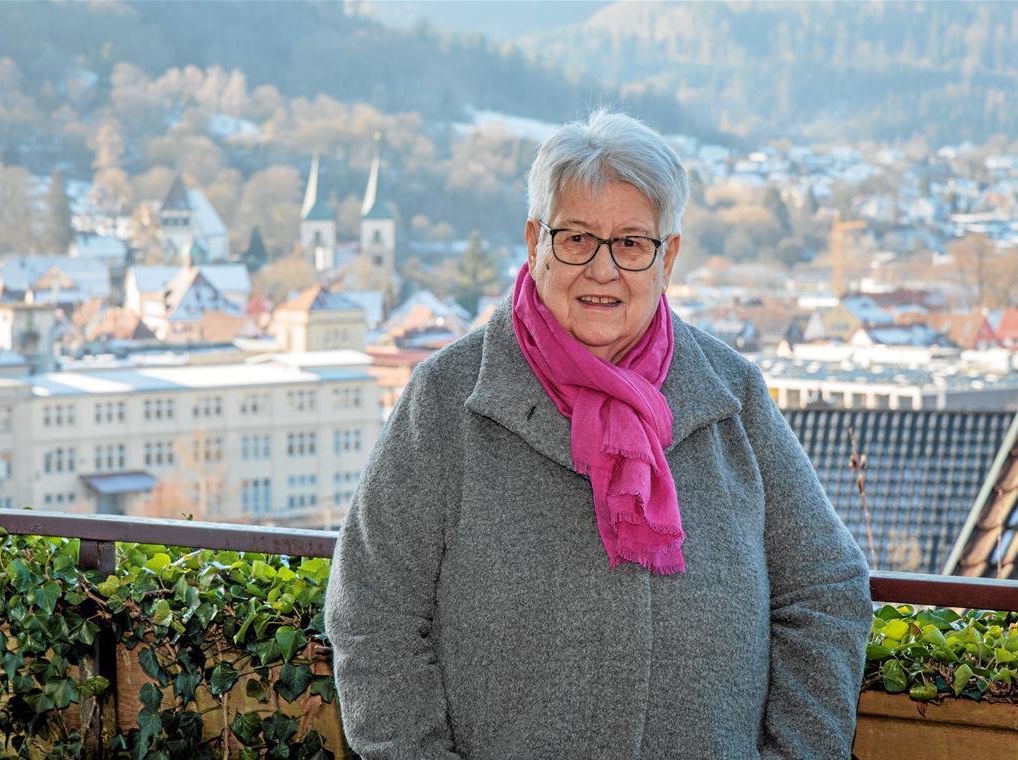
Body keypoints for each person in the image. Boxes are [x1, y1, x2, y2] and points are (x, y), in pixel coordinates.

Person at [324, 109, 871, 759]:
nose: (603, 270)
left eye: (631, 243)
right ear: (535, 241)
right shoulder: (448, 401)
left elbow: (827, 589)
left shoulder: (732, 396)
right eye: (577, 238)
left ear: (669, 257)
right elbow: (371, 617)